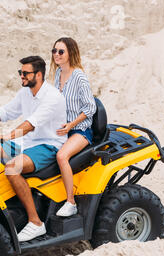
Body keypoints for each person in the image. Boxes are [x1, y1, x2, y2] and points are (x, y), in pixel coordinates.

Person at [0, 56, 67, 242]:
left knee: (12, 168)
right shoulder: (26, 93)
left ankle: (35, 222)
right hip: (26, 143)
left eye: (25, 73)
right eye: (20, 72)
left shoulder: (52, 97)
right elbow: (4, 112)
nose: (21, 76)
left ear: (38, 74)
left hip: (48, 146)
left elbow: (30, 125)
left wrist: (5, 136)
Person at [49, 37, 97, 217]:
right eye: (54, 51)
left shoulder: (79, 76)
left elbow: (90, 108)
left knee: (61, 156)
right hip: (62, 127)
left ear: (70, 53)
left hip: (80, 130)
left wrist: (71, 125)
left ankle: (70, 202)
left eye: (61, 51)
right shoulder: (58, 75)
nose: (57, 55)